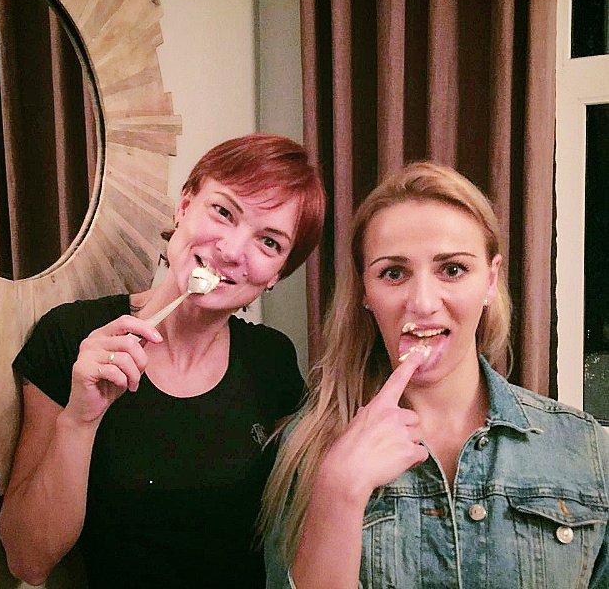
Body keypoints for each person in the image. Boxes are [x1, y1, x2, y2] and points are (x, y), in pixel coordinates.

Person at [0, 133, 325, 589]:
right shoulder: (73, 337)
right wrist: (79, 421)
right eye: (224, 211)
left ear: (277, 275)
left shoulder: (272, 362)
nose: (232, 251)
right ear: (184, 206)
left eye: (269, 242)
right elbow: (27, 560)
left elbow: (300, 528)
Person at [261, 162, 609, 588]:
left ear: (490, 280)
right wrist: (339, 491)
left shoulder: (586, 448)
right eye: (393, 273)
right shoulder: (308, 450)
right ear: (366, 291)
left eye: (453, 270)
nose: (423, 303)